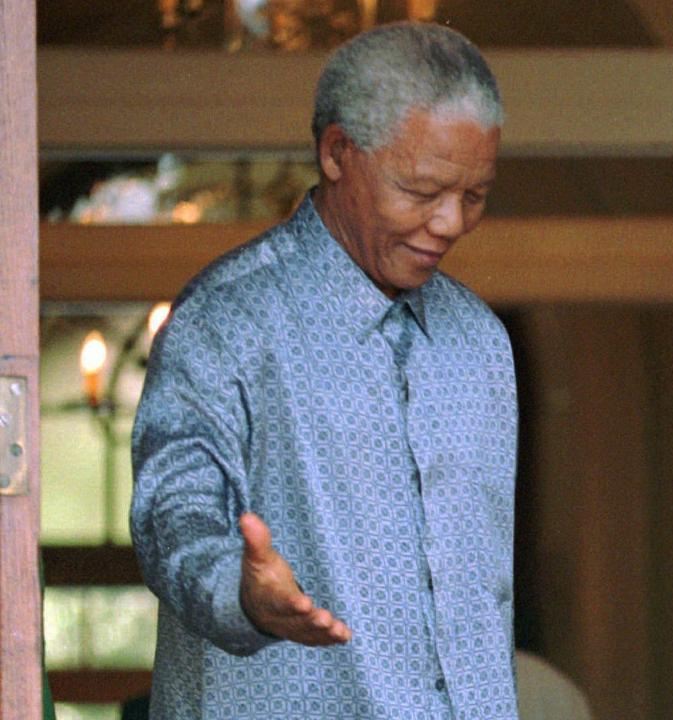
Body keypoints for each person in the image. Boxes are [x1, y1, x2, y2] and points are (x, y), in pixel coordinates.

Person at [130, 22, 517, 719]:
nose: (452, 222)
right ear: (338, 152)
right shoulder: (226, 322)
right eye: (422, 190)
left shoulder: (481, 344)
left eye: (476, 196)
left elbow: (484, 596)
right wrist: (242, 595)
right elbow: (172, 517)